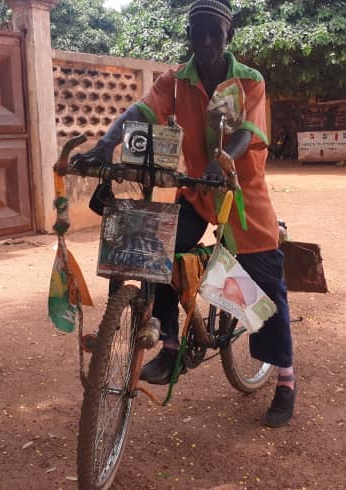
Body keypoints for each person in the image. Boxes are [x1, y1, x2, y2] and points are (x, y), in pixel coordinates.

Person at [71, 0, 297, 428]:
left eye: (215, 32)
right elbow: (140, 110)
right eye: (198, 32)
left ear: (229, 33)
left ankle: (285, 377)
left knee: (264, 283)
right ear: (189, 34)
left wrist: (223, 160)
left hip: (240, 194)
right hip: (197, 192)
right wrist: (106, 144)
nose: (207, 41)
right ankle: (171, 343)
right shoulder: (176, 81)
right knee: (159, 252)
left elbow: (248, 132)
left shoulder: (248, 80)